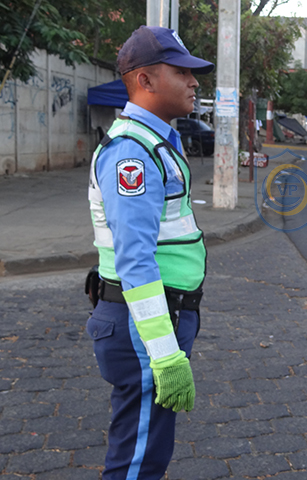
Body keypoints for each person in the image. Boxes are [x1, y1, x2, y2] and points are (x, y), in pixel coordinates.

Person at [86, 25, 214, 479]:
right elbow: (135, 260)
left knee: (146, 453)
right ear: (145, 80)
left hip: (153, 317)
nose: (194, 82)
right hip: (145, 325)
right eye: (182, 72)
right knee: (137, 462)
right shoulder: (133, 154)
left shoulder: (154, 141)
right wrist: (163, 353)